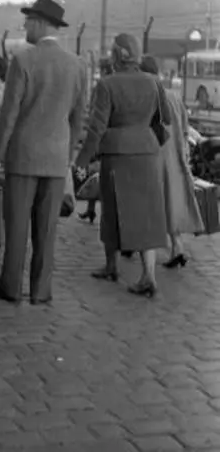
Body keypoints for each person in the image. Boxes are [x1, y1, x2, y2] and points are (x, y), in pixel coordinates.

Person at [0, 0, 87, 305]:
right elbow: (79, 117)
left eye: (28, 21)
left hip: (23, 156)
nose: (25, 26)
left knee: (17, 226)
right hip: (56, 159)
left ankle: (10, 287)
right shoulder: (77, 65)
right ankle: (41, 290)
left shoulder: (23, 60)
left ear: (41, 23)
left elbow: (9, 114)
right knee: (47, 229)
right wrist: (68, 154)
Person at [75, 33, 171, 298]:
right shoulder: (154, 82)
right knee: (147, 214)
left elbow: (96, 127)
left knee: (112, 209)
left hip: (116, 153)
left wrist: (82, 160)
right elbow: (167, 117)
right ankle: (148, 275)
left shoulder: (107, 84)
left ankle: (111, 265)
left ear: (117, 54)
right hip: (147, 152)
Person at [140, 55, 204, 267]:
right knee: (172, 200)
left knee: (151, 203)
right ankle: (177, 246)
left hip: (155, 156)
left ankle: (143, 251)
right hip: (175, 157)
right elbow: (185, 129)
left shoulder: (147, 97)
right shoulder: (174, 97)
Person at [78, 58, 114, 224]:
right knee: (99, 173)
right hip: (105, 134)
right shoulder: (112, 85)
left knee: (95, 172)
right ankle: (92, 208)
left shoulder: (102, 86)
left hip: (99, 135)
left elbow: (95, 110)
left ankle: (92, 208)